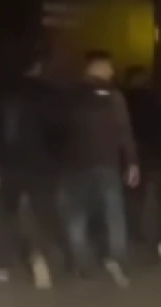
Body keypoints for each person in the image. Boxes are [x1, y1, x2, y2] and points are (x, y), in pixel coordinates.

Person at [58, 50, 139, 287]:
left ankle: (81, 265)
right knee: (114, 215)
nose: (112, 72)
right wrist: (132, 161)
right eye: (108, 67)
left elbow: (58, 131)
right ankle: (117, 261)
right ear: (98, 67)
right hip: (107, 163)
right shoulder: (114, 96)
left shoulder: (69, 95)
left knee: (76, 216)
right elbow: (124, 131)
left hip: (75, 164)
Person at [0, 61, 66, 288]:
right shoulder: (50, 94)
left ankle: (1, 265)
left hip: (9, 165)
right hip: (41, 165)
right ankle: (39, 260)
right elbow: (59, 132)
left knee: (7, 215)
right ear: (38, 66)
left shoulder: (5, 95)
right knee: (43, 215)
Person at [122, 66, 161, 245]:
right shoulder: (150, 99)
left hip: (124, 149)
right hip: (144, 149)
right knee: (138, 191)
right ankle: (134, 229)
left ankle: (126, 228)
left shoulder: (122, 98)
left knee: (125, 191)